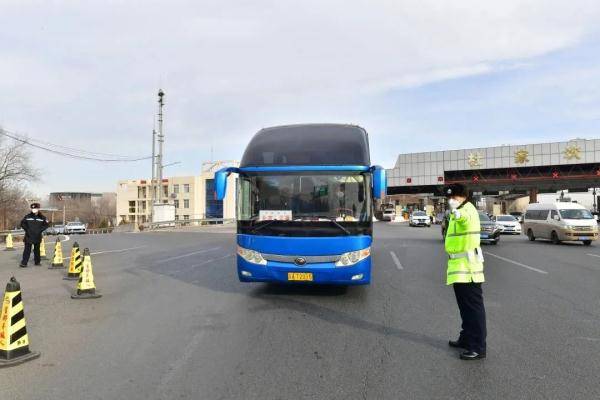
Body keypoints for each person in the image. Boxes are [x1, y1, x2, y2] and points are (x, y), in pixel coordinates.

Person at [443, 184, 487, 360]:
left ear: (463, 197)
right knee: (465, 308)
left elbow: (465, 219)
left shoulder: (467, 210)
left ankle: (478, 347)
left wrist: (456, 212)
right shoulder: (459, 210)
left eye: (454, 197)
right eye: (449, 198)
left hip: (468, 269)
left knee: (473, 309)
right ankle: (466, 338)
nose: (450, 200)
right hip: (459, 268)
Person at [19, 203, 49, 268]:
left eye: (35, 208)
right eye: (32, 208)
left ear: (38, 209)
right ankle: (24, 263)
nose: (34, 210)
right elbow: (22, 223)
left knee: (37, 250)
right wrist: (27, 230)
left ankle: (37, 262)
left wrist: (40, 230)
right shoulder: (27, 216)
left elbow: (46, 224)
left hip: (37, 236)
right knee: (27, 250)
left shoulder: (42, 217)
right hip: (28, 236)